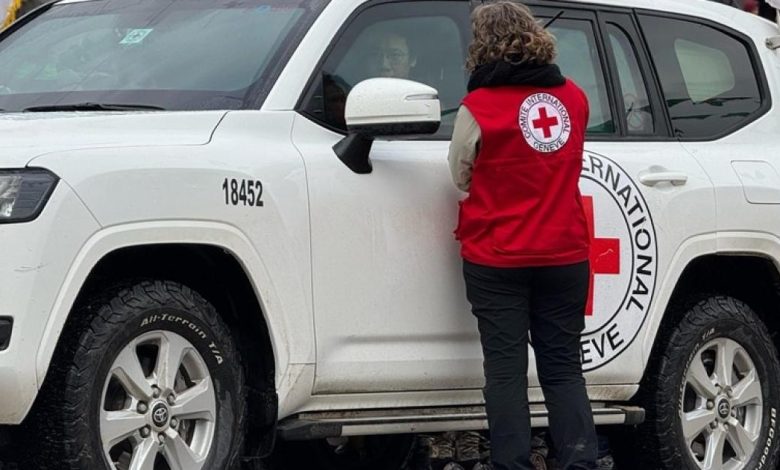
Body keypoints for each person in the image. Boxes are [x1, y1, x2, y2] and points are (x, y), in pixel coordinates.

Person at [448, 2, 597, 470]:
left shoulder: (478, 107)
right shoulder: (574, 97)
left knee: (506, 372)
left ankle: (511, 463)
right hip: (565, 253)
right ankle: (579, 462)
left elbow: (460, 174)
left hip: (498, 257)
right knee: (564, 367)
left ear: (482, 44)